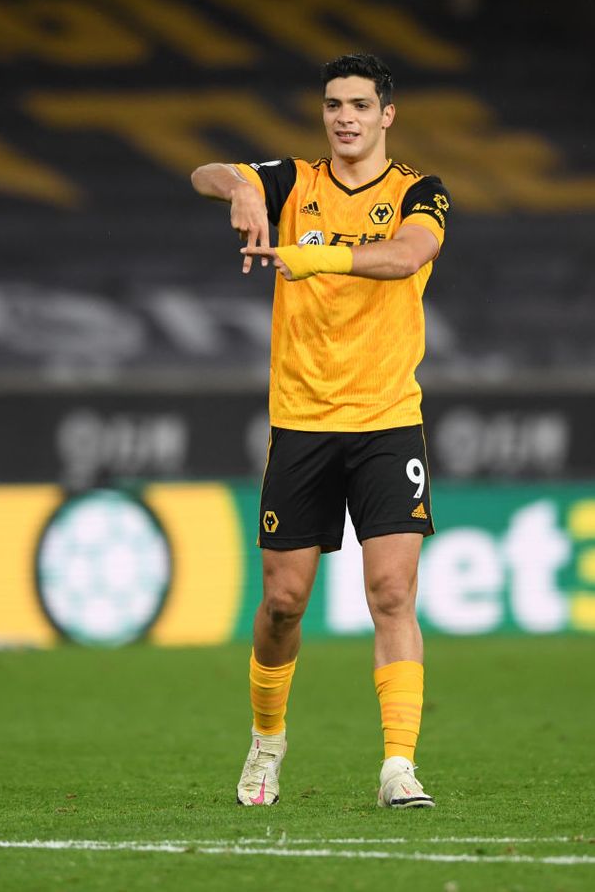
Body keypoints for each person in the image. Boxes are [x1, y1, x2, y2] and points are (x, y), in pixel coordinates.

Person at [191, 53, 450, 809]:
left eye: (361, 105)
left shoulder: (419, 190)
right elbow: (203, 172)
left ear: (386, 114)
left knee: (393, 590)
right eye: (335, 103)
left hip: (386, 420)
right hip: (301, 421)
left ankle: (398, 766)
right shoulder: (292, 180)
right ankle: (267, 741)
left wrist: (315, 256)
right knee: (283, 603)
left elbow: (408, 255)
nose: (345, 116)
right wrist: (240, 185)